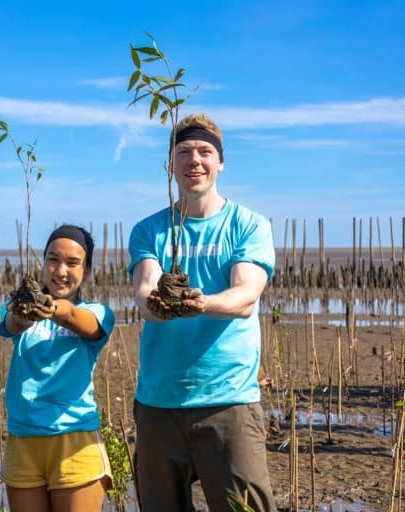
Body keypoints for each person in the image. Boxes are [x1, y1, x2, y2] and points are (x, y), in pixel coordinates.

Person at [128, 113, 276, 512]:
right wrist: (156, 307)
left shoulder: (248, 225)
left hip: (228, 401)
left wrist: (201, 304)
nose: (195, 160)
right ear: (170, 165)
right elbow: (145, 288)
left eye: (205, 151)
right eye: (184, 152)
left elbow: (246, 296)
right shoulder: (149, 230)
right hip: (159, 403)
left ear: (220, 162)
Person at [0, 225, 116, 512]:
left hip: (74, 440)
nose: (60, 270)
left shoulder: (99, 313)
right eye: (53, 259)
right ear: (43, 263)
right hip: (22, 440)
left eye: (73, 263)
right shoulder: (16, 308)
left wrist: (53, 309)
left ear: (87, 270)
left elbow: (79, 319)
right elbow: (12, 324)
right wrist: (25, 314)